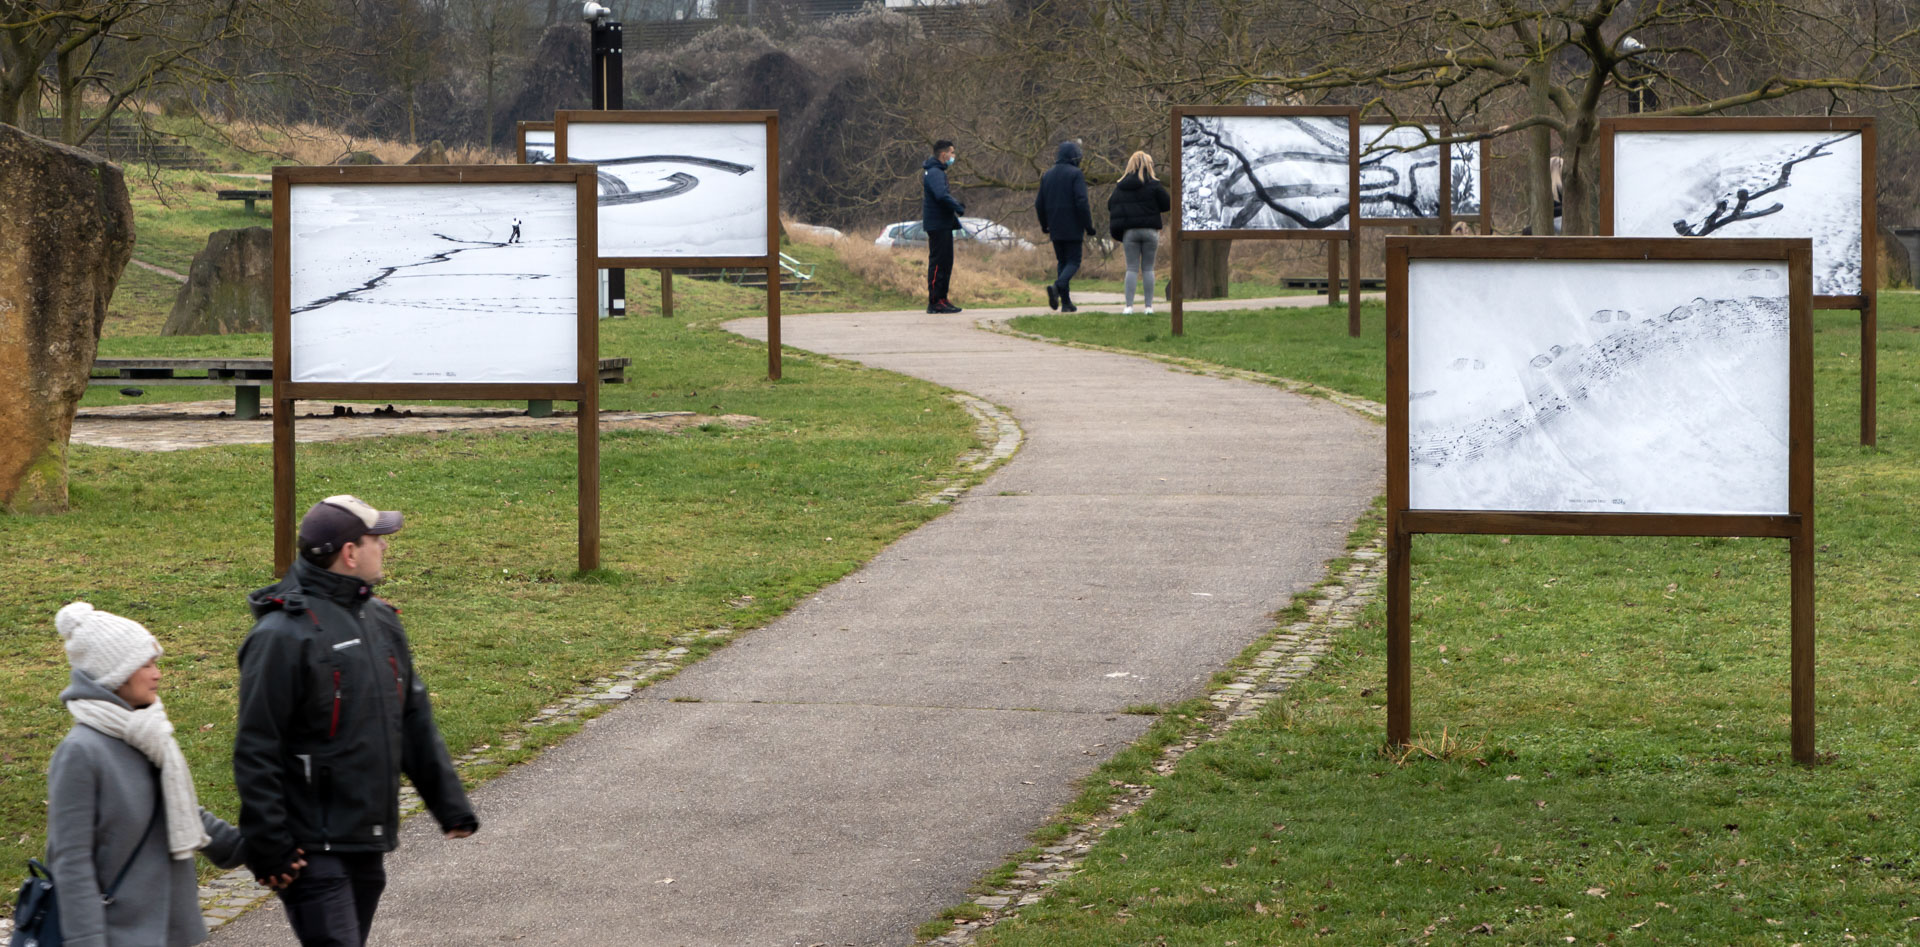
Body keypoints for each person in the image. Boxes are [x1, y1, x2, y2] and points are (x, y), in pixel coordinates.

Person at [235, 495, 478, 947]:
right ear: (349, 552)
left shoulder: (380, 620)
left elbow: (412, 718)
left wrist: (449, 805)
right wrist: (270, 844)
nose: (385, 546)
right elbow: (256, 747)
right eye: (376, 539)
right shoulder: (280, 636)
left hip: (366, 840)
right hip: (311, 850)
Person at [44, 601, 250, 947]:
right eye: (146, 664)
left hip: (168, 930)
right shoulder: (81, 751)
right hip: (119, 934)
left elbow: (178, 810)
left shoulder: (146, 734)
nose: (158, 674)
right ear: (115, 672)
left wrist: (251, 847)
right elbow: (70, 859)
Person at [1105, 150, 1171, 315]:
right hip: (1150, 231)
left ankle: (1129, 307)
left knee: (1132, 269)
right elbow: (1167, 204)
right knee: (1148, 269)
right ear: (1149, 165)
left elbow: (1110, 205)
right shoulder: (1154, 184)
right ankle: (1148, 307)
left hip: (1130, 232)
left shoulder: (1121, 186)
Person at [1035, 140, 1096, 312]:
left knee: (1062, 262)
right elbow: (1081, 201)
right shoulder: (1076, 174)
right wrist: (1088, 226)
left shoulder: (1047, 175)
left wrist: (1044, 224)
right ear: (1074, 157)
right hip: (1073, 225)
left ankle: (1066, 302)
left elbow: (1039, 203)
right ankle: (1057, 287)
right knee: (1074, 261)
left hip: (1054, 225)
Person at [922, 140, 965, 314]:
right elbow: (941, 195)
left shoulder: (938, 171)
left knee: (946, 262)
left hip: (943, 224)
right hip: (937, 224)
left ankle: (942, 298)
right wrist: (957, 206)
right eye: (952, 153)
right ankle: (935, 301)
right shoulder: (934, 172)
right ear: (943, 154)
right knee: (939, 263)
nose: (953, 156)